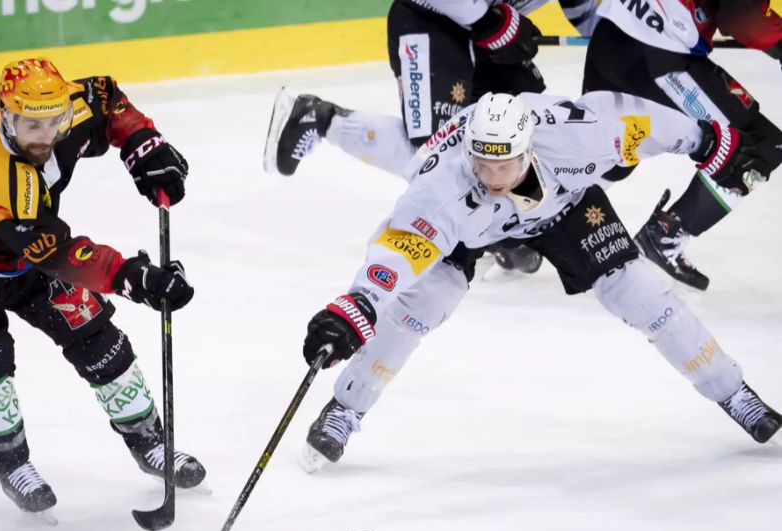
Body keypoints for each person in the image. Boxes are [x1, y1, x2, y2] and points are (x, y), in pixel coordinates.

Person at [296, 90, 780, 473]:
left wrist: (705, 139)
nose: (490, 174)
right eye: (481, 162)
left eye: (502, 163)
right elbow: (397, 249)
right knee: (421, 305)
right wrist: (357, 304)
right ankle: (347, 407)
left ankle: (733, 392)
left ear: (527, 147)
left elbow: (640, 120)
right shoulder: (442, 186)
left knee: (643, 294)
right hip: (473, 228)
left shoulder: (580, 134)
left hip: (564, 208)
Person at [0, 57, 205, 514]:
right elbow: (58, 255)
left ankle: (149, 443)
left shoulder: (69, 108)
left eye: (53, 123)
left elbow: (108, 98)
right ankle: (12, 466)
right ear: (5, 114)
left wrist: (143, 146)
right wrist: (132, 277)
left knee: (94, 332)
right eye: (28, 125)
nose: (43, 137)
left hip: (25, 249)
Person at [264, 0, 600, 274]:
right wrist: (488, 22)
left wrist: (615, 44)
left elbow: (583, 9)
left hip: (489, 33)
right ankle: (319, 119)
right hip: (432, 19)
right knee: (436, 150)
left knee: (517, 132)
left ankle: (496, 231)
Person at [584, 0, 782, 290]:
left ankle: (531, 225)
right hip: (659, 54)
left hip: (612, 36)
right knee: (761, 144)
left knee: (611, 152)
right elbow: (741, 15)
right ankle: (666, 232)